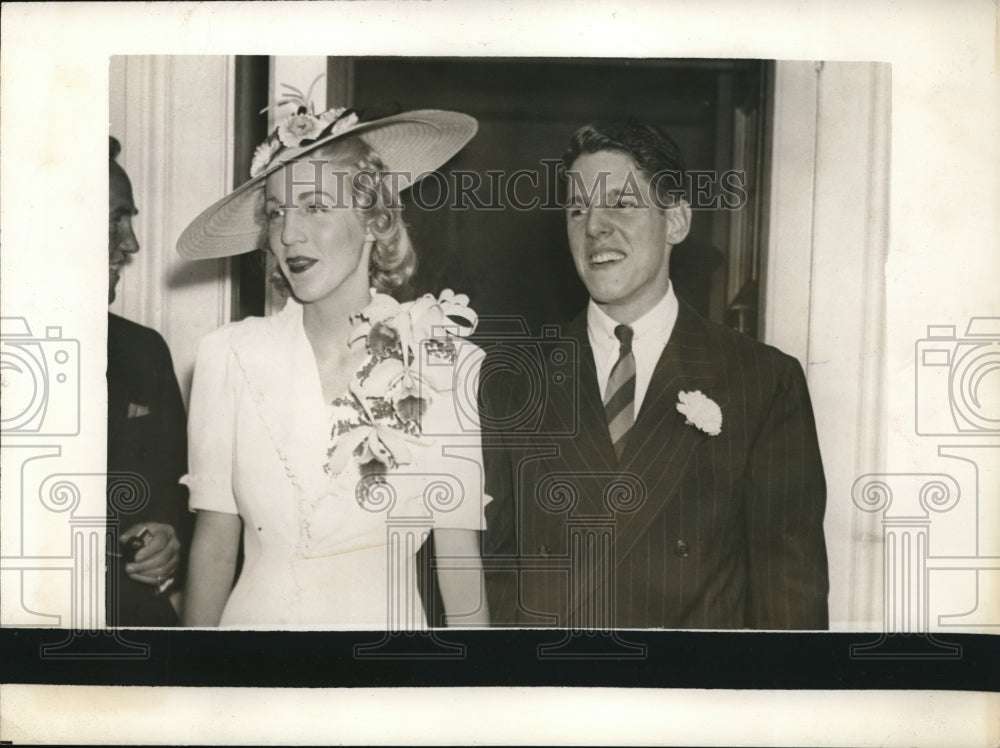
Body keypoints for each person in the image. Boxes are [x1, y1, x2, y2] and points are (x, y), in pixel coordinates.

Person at [482, 119, 829, 629]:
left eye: (620, 203)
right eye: (577, 209)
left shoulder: (762, 381)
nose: (594, 226)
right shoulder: (509, 382)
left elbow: (789, 597)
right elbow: (482, 572)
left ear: (677, 222)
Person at [176, 102, 490, 628]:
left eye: (315, 207)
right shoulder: (228, 355)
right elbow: (212, 551)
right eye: (276, 212)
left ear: (373, 221)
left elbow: (458, 567)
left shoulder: (441, 361)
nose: (289, 235)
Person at [107, 136, 191, 626]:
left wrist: (168, 535)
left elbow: (176, 491)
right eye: (116, 218)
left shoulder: (144, 352)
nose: (131, 243)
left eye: (130, 219)